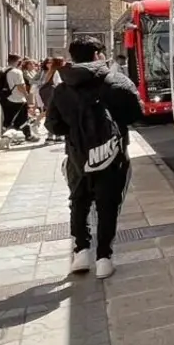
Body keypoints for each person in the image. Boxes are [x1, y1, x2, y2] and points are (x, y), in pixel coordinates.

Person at [45, 36, 143, 278]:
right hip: (112, 155)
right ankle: (104, 259)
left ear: (73, 57)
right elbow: (135, 113)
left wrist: (76, 130)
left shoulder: (62, 88)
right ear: (98, 55)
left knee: (79, 201)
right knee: (108, 205)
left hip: (77, 155)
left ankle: (81, 252)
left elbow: (53, 125)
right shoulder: (116, 81)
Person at [0, 54, 33, 142]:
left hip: (5, 98)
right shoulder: (17, 72)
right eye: (21, 61)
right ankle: (28, 135)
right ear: (18, 62)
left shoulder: (3, 70)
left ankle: (6, 137)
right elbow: (20, 86)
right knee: (23, 119)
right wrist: (27, 96)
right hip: (17, 99)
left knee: (8, 119)